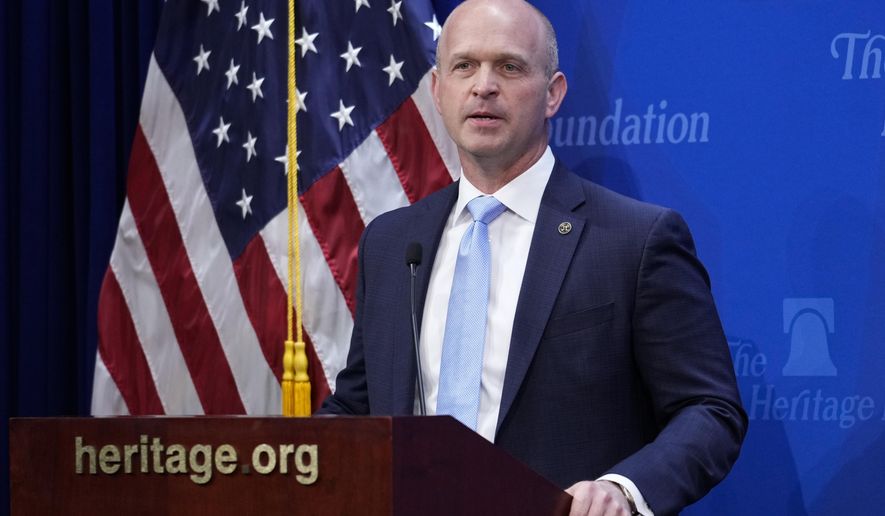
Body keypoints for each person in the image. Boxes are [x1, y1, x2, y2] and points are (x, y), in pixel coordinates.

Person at [319, 1, 747, 514]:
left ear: (553, 93)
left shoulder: (636, 241)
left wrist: (623, 490)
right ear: (438, 90)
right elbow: (360, 406)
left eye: (510, 66)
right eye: (464, 66)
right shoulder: (391, 243)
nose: (483, 85)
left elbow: (710, 409)